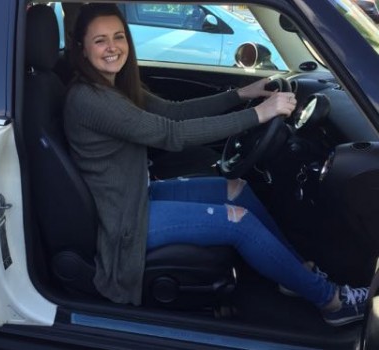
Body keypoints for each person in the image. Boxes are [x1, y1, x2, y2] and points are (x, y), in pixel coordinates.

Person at [63, 3, 369, 326]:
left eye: (119, 37)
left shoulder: (114, 89)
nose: (112, 47)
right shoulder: (89, 99)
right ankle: (331, 301)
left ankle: (295, 272)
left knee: (237, 189)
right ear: (82, 49)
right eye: (100, 41)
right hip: (124, 225)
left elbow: (175, 112)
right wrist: (257, 114)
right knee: (238, 221)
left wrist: (242, 94)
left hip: (138, 195)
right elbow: (173, 134)